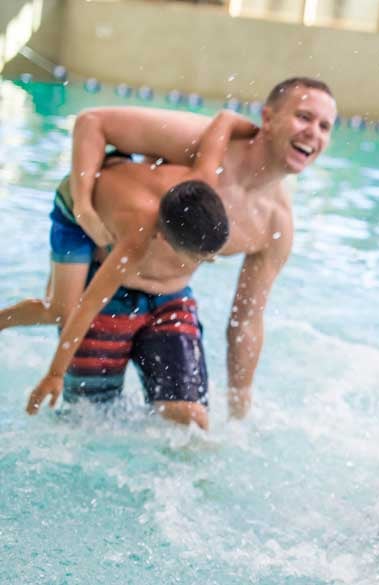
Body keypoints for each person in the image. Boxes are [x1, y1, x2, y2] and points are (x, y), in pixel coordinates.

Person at [64, 77, 337, 419]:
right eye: (303, 117)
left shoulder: (274, 224)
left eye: (325, 126)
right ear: (267, 118)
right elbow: (92, 122)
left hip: (171, 300)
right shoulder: (202, 142)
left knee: (191, 423)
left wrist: (240, 404)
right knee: (87, 420)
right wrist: (81, 206)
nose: (314, 132)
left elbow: (247, 318)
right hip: (105, 289)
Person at [7, 111, 242, 428]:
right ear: (165, 240)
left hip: (120, 179)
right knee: (61, 310)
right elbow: (90, 304)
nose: (203, 263)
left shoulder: (202, 181)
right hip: (77, 213)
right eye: (199, 257)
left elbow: (225, 120)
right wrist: (55, 373)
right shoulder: (137, 239)